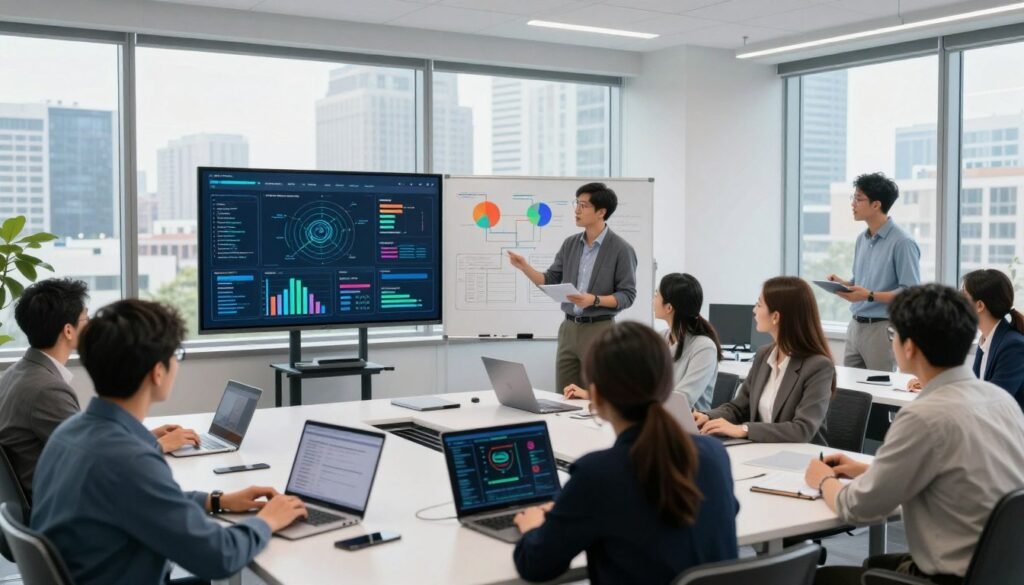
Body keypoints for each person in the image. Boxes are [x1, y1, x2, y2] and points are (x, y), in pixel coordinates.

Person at [31, 299, 308, 585]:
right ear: (158, 372)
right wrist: (268, 520)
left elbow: (146, 500)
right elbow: (220, 557)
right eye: (175, 354)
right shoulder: (128, 461)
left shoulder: (69, 433)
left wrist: (217, 500)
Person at [805, 284, 1024, 585]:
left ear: (909, 347)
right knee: (875, 564)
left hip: (947, 577)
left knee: (821, 578)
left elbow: (856, 508)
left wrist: (823, 479)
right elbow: (956, 474)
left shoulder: (923, 416)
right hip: (999, 572)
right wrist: (865, 470)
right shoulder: (1002, 401)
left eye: (892, 334)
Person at [513, 322, 738, 584]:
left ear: (595, 397)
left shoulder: (597, 474)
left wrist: (534, 526)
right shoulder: (714, 454)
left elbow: (535, 565)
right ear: (666, 386)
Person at [0, 278, 199, 500]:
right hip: (63, 501)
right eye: (86, 318)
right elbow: (93, 458)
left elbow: (92, 442)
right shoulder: (46, 390)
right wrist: (157, 445)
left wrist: (145, 436)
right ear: (68, 331)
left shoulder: (18, 372)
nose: (91, 325)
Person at [508, 183, 638, 392]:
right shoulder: (570, 244)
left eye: (583, 205)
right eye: (576, 203)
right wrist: (524, 267)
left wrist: (594, 300)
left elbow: (627, 295)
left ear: (601, 212)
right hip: (568, 329)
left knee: (597, 395)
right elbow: (550, 279)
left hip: (599, 329)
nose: (577, 210)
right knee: (564, 394)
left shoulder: (621, 249)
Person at [693, 276, 835, 444]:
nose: (754, 310)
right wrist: (707, 416)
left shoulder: (818, 366)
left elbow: (802, 430)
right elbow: (739, 408)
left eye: (759, 305)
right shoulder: (764, 355)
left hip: (801, 455)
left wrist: (744, 429)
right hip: (760, 449)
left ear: (775, 316)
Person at [565, 273, 722, 411]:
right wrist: (594, 395)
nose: (653, 300)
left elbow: (681, 400)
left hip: (687, 427)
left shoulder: (704, 347)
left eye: (657, 295)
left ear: (669, 307)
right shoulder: (661, 338)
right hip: (654, 419)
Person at [826, 172, 920, 372]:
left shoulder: (903, 242)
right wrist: (843, 284)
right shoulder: (862, 239)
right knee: (849, 388)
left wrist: (868, 295)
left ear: (876, 204)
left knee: (880, 388)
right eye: (853, 198)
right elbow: (861, 282)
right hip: (855, 326)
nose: (853, 204)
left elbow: (910, 293)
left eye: (858, 199)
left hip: (882, 329)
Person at [906, 269, 1024, 409]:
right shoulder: (986, 339)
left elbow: (993, 399)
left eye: (963, 295)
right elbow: (976, 388)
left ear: (979, 306)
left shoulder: (1013, 345)